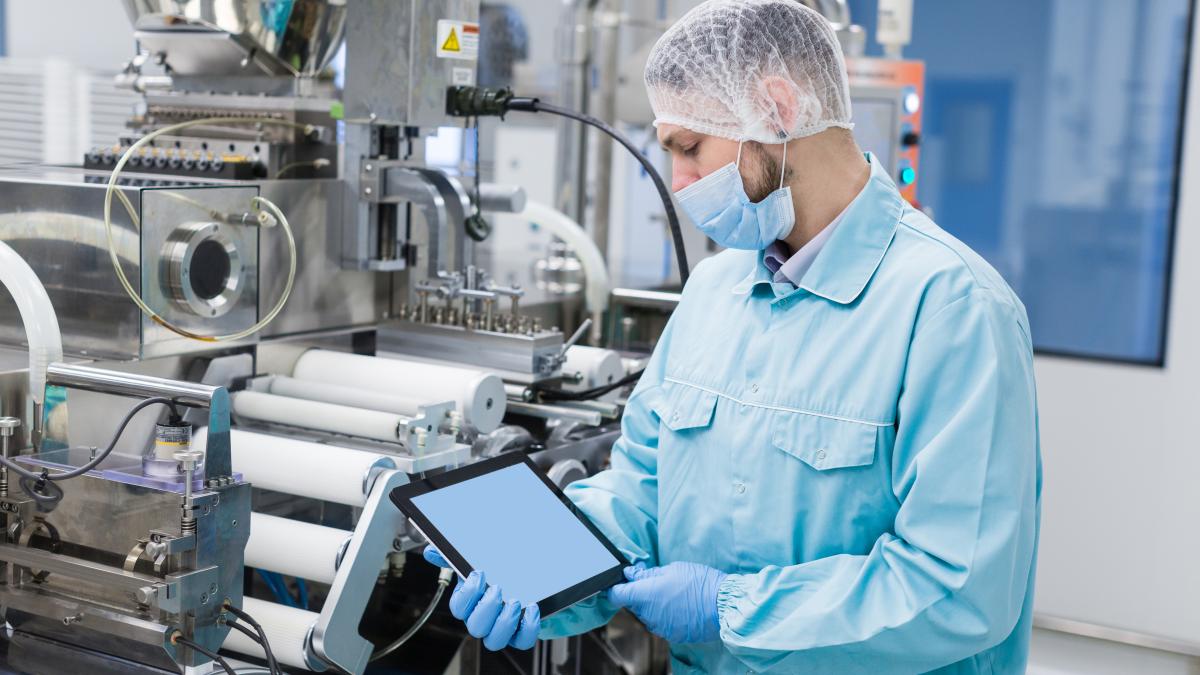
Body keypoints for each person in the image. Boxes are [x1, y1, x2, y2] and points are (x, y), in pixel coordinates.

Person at [425, 0, 1042, 672]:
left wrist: (732, 607)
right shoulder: (715, 293)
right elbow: (639, 492)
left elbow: (959, 589)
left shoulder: (953, 309)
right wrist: (538, 570)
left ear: (777, 110)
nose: (680, 183)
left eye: (690, 148)